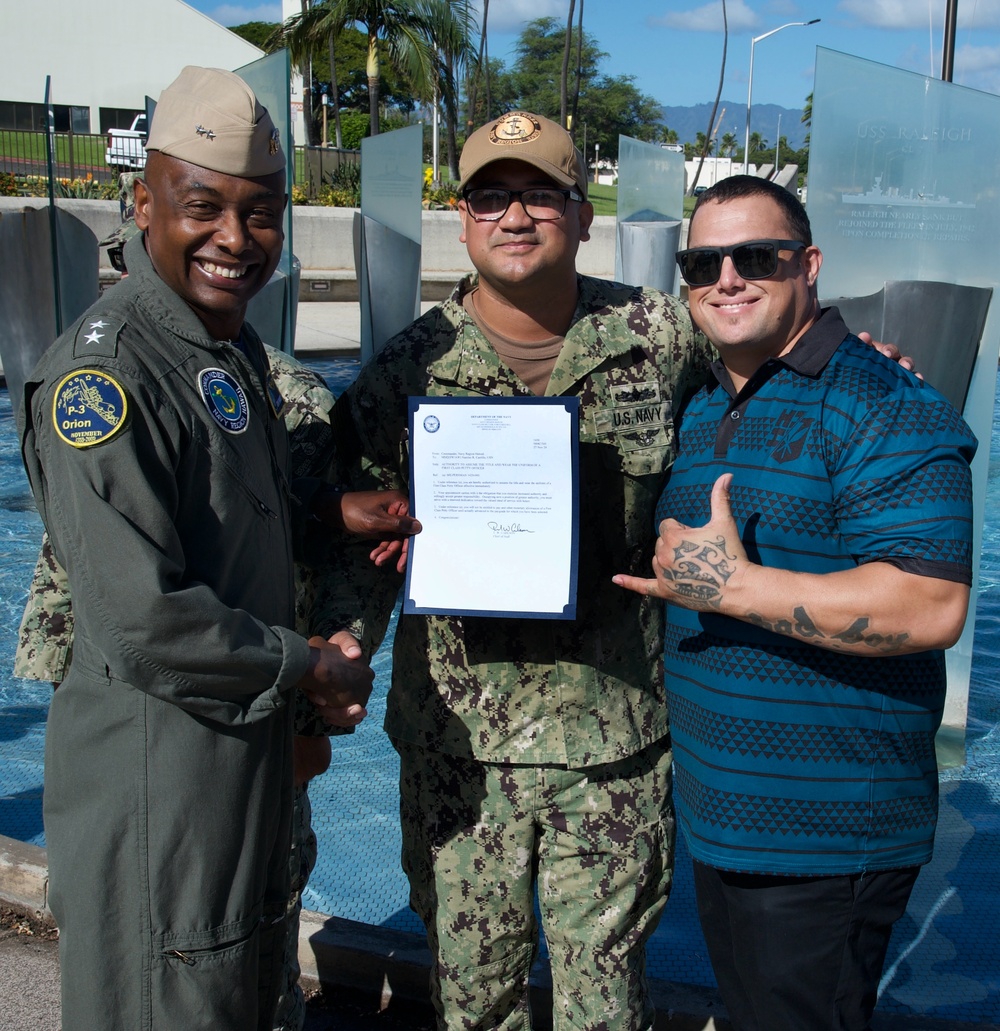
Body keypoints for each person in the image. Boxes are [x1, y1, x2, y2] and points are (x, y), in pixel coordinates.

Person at [17, 65, 415, 1031]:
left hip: (235, 759)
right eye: (204, 207)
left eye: (262, 213)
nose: (236, 240)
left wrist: (330, 508)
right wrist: (307, 663)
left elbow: (222, 506)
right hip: (164, 781)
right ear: (144, 203)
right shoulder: (105, 375)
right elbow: (144, 619)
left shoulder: (220, 352)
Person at [305, 110, 715, 1030]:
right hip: (462, 745)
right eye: (492, 196)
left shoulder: (660, 338)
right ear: (463, 217)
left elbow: (763, 382)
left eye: (539, 193)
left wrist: (843, 348)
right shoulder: (407, 369)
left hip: (612, 741)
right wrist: (341, 643)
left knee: (605, 1000)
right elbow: (353, 541)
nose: (515, 215)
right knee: (473, 993)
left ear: (578, 212)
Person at [614, 175, 977, 1031]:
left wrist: (734, 586)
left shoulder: (883, 400)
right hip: (730, 820)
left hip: (827, 834)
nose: (728, 277)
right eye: (703, 262)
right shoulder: (706, 401)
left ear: (808, 265)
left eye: (758, 256)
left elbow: (930, 604)